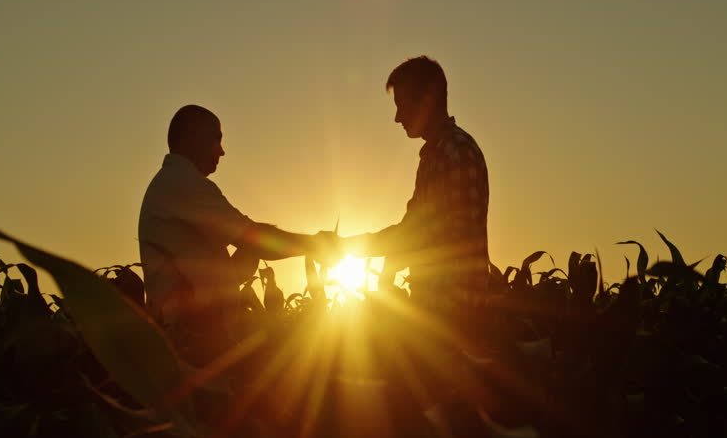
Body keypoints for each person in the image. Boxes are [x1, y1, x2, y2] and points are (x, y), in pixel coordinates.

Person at [138, 104, 338, 364]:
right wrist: (316, 244)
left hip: (199, 338)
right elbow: (252, 237)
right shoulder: (183, 183)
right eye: (216, 139)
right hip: (191, 343)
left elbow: (225, 256)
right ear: (192, 137)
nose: (222, 151)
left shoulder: (175, 184)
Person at [342, 57, 490, 333]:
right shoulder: (433, 155)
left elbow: (446, 238)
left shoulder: (456, 152)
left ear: (426, 100)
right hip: (436, 314)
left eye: (401, 105)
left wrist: (350, 249)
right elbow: (413, 228)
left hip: (457, 318)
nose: (397, 117)